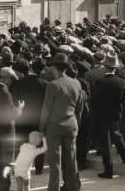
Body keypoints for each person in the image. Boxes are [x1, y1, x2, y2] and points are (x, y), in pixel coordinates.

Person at [39, 53, 84, 191]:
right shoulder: (76, 82)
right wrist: (77, 123)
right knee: (71, 159)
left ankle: (54, 189)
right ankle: (73, 187)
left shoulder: (52, 85)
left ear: (55, 68)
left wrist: (41, 127)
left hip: (54, 126)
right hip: (72, 124)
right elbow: (80, 107)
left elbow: (46, 108)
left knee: (55, 162)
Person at [91, 52, 125, 178]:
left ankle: (108, 170)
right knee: (117, 135)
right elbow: (124, 100)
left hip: (102, 115)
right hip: (115, 113)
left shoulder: (100, 82)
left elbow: (95, 100)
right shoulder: (122, 82)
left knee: (105, 144)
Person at [0, 66, 24, 191]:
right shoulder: (5, 92)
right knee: (7, 161)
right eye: (11, 80)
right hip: (7, 131)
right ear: (7, 79)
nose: (11, 82)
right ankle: (4, 188)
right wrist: (19, 108)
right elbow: (11, 113)